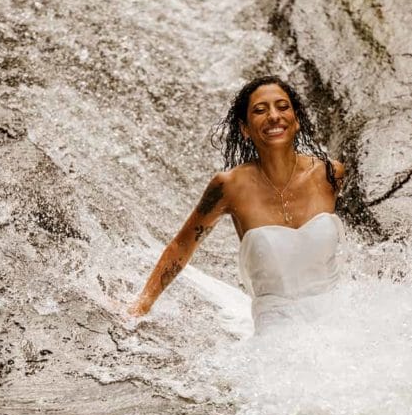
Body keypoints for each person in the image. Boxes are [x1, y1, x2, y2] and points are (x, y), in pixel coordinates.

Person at [129, 75, 345, 319]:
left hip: (337, 318)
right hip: (277, 326)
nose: (274, 116)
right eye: (260, 110)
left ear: (296, 120)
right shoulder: (229, 186)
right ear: (245, 128)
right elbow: (181, 246)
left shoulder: (330, 174)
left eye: (283, 107)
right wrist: (141, 305)